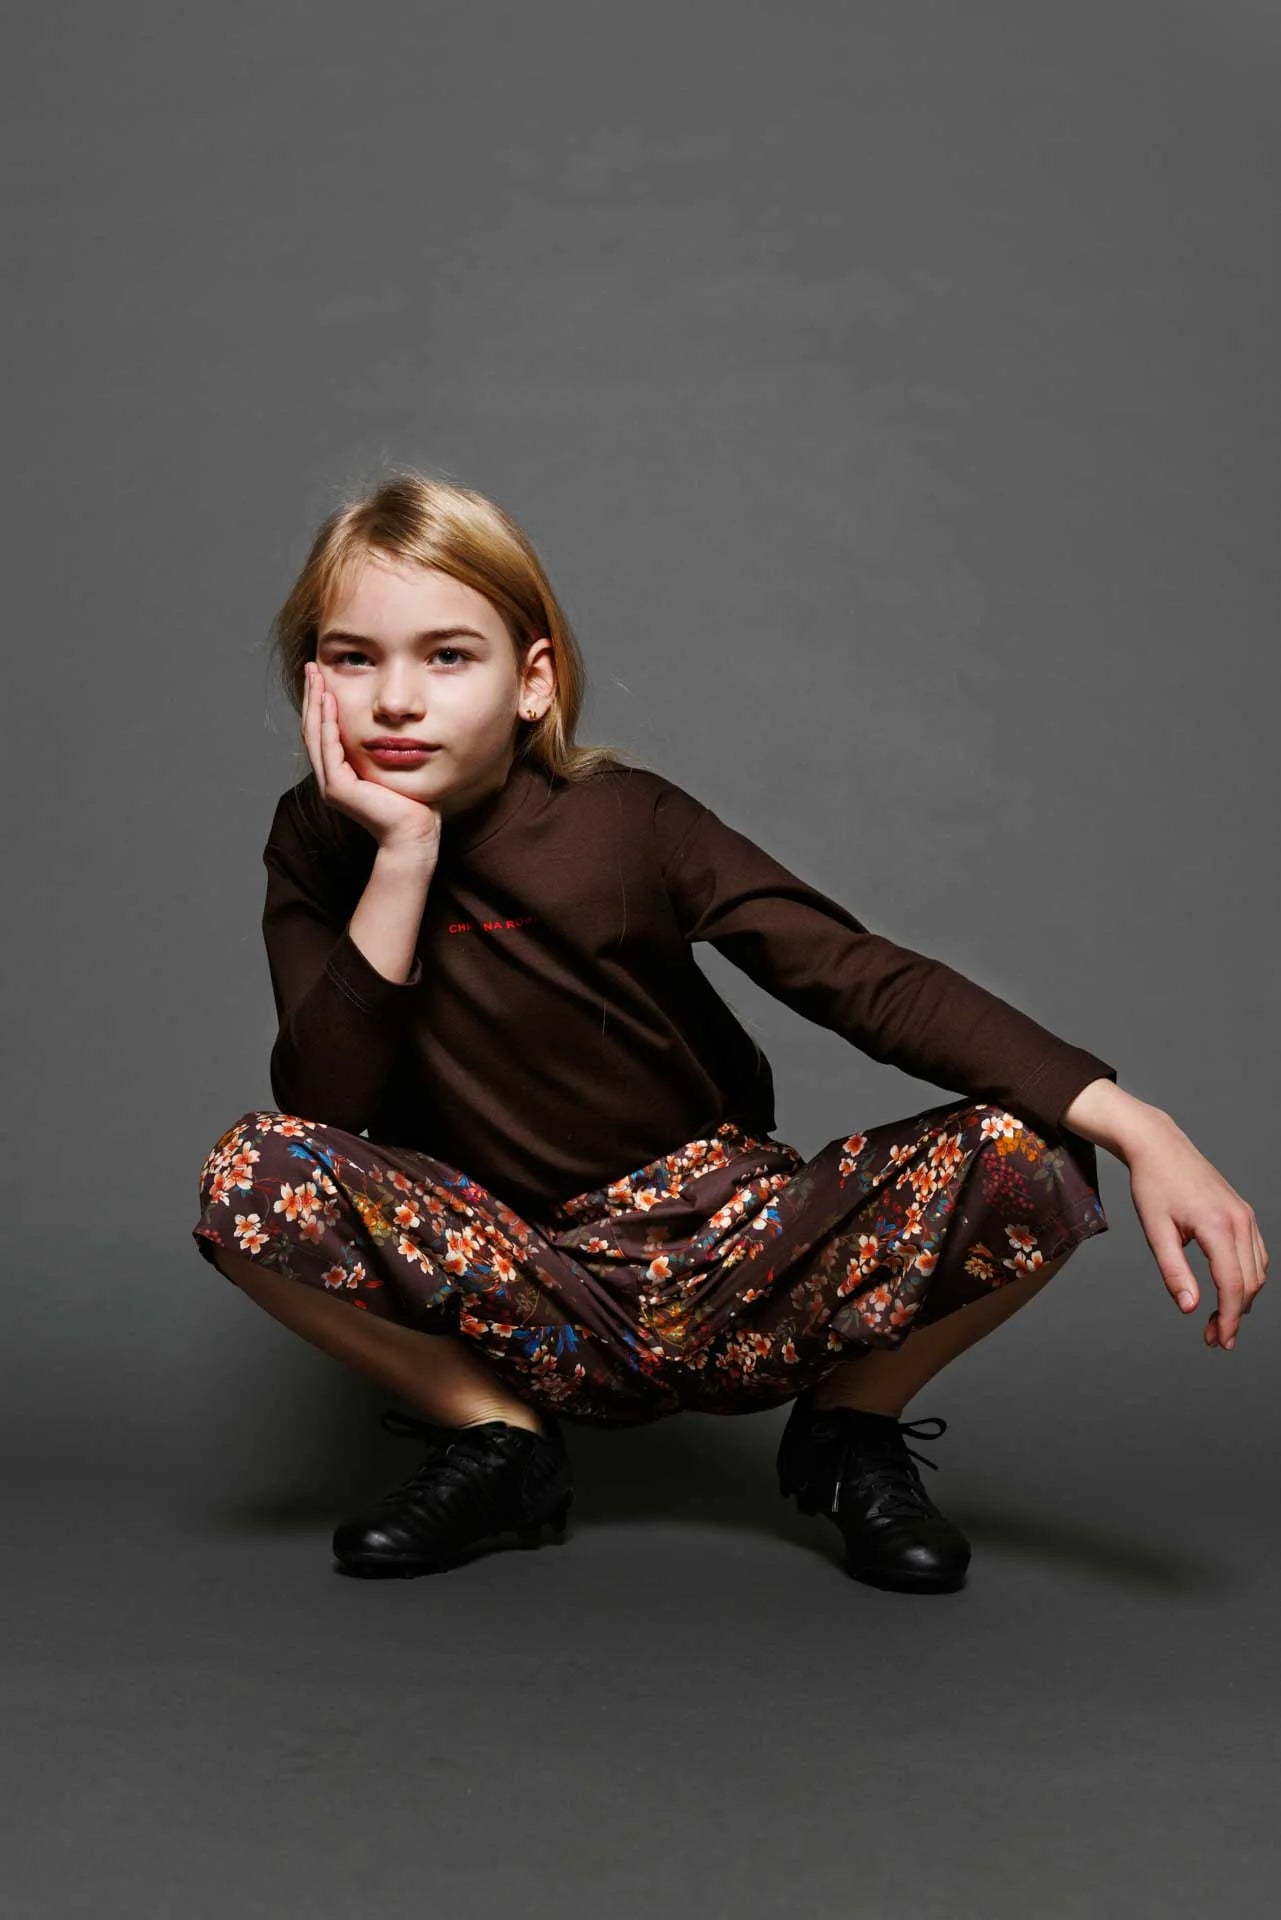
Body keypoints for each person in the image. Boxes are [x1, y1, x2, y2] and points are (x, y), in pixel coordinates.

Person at [192, 469, 1267, 1596]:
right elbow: (324, 1106)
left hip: (733, 1259)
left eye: (447, 656)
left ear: (532, 681)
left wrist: (1141, 1125)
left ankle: (849, 1430)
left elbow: (859, 977)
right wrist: (402, 857)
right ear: (312, 680)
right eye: (355, 658)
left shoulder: (627, 821)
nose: (396, 700)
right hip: (522, 1283)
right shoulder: (316, 844)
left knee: (1034, 1146)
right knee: (251, 1171)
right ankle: (500, 1441)